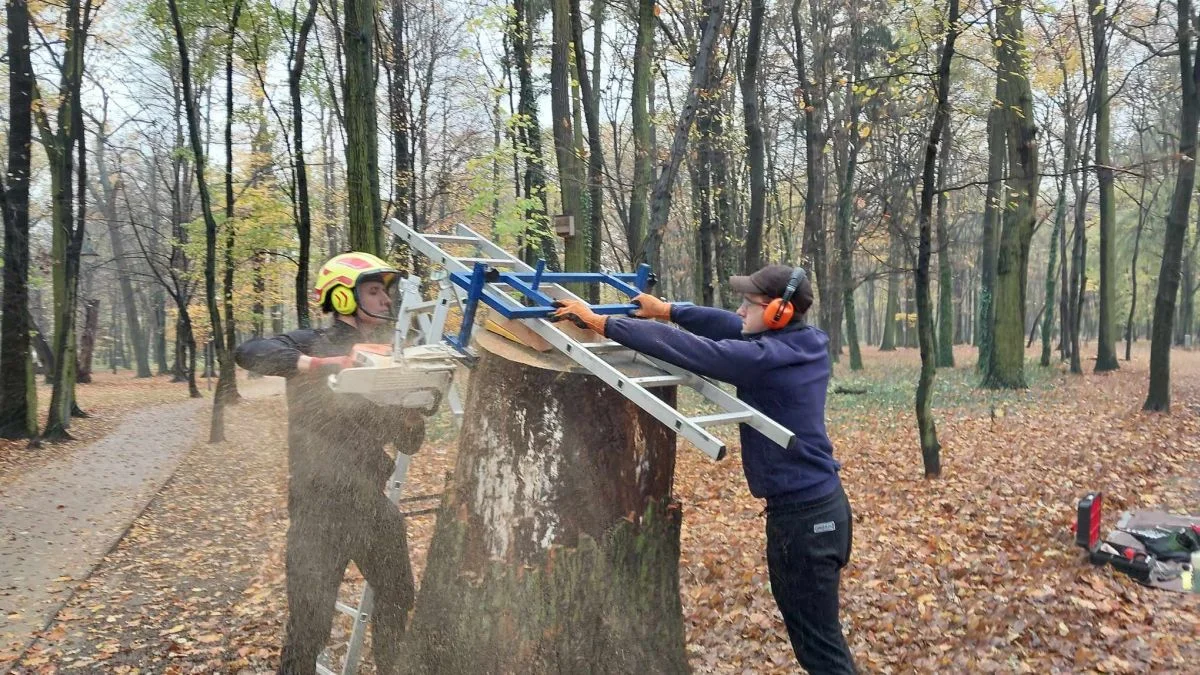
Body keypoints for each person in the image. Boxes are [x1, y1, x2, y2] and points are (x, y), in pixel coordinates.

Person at [551, 264, 856, 674]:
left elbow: (702, 352)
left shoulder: (767, 357)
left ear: (779, 313)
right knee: (817, 643)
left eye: (750, 303)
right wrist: (669, 310)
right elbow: (727, 325)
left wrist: (605, 324)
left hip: (805, 524)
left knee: (821, 652)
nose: (741, 310)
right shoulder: (801, 342)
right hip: (817, 511)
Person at [235, 252, 426, 675]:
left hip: (370, 505)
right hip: (318, 509)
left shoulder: (387, 357)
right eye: (373, 291)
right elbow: (247, 352)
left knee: (398, 599)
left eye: (386, 292)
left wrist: (413, 405)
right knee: (310, 625)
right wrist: (325, 365)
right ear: (342, 296)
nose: (385, 300)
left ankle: (392, 667)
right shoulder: (309, 343)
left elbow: (410, 441)